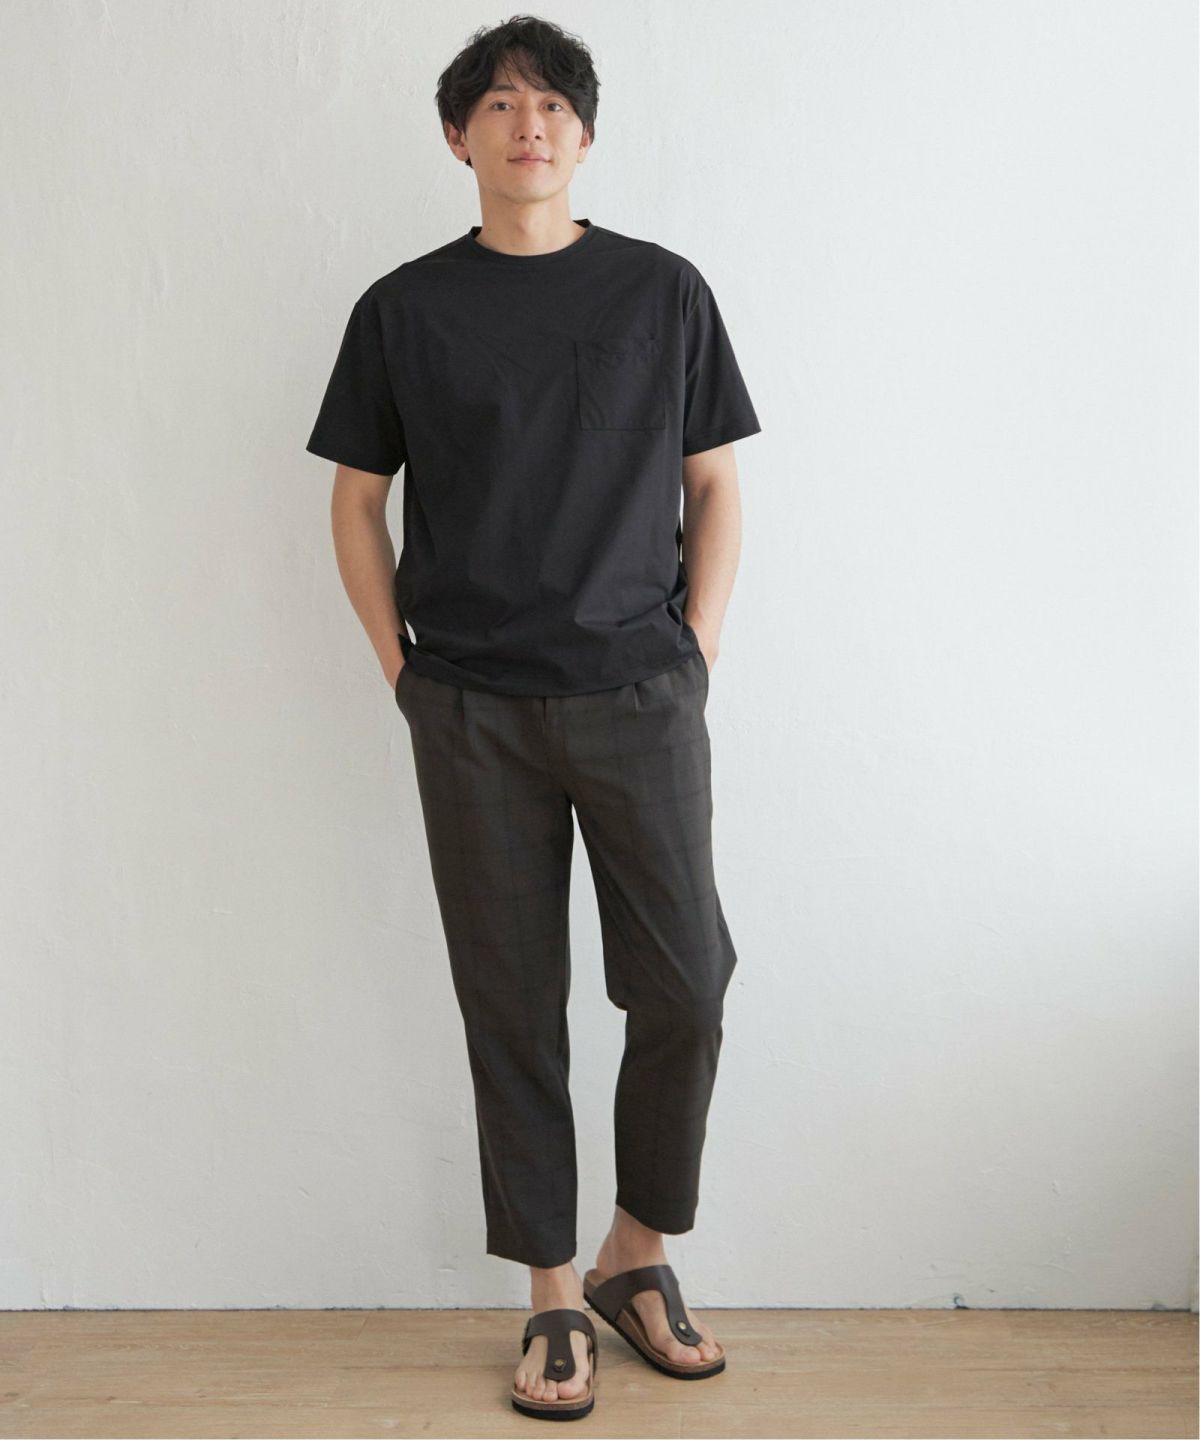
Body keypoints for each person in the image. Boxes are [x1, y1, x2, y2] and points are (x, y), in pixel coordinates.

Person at [305, 15, 762, 1422]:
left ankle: (639, 1252)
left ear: (586, 132)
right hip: (472, 708)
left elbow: (715, 481)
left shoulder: (662, 291)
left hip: (639, 692)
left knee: (685, 984)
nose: (530, 124)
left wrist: (695, 650)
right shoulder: (405, 309)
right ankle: (553, 1290)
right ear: (459, 136)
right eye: (501, 104)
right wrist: (402, 673)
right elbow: (356, 500)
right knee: (512, 1004)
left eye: (554, 102)